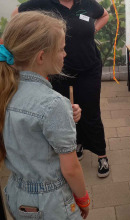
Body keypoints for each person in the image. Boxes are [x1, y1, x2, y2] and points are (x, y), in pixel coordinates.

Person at [0, 11, 89, 219]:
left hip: (15, 194)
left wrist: (67, 116)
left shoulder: (6, 90)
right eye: (61, 49)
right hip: (51, 204)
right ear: (41, 57)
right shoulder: (53, 104)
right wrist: (83, 198)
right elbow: (71, 169)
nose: (65, 54)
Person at [12, 0, 110, 178]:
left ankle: (101, 154)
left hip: (89, 67)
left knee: (90, 110)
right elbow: (16, 15)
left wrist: (92, 30)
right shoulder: (43, 3)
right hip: (58, 69)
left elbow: (105, 15)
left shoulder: (87, 3)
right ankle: (76, 143)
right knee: (65, 110)